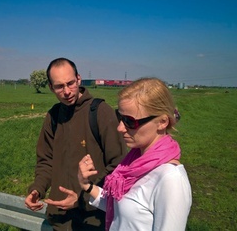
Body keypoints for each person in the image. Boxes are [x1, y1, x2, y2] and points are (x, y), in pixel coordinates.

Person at [25, 57, 127, 230]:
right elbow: (46, 161)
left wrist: (83, 198)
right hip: (60, 220)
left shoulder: (100, 112)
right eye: (59, 86)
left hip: (93, 219)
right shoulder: (53, 116)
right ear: (51, 87)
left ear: (79, 79)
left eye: (70, 83)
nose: (66, 91)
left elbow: (119, 166)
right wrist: (37, 189)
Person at [78, 77, 192, 231]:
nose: (120, 128)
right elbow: (121, 207)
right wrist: (86, 185)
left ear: (162, 122)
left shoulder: (170, 179)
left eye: (130, 122)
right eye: (120, 118)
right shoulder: (134, 161)